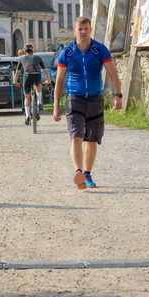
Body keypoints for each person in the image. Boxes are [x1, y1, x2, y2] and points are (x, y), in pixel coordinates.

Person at [53, 17, 122, 190]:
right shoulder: (67, 52)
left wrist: (118, 95)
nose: (83, 32)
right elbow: (59, 81)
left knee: (92, 139)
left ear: (90, 30)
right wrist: (56, 106)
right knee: (76, 136)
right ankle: (78, 172)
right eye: (80, 29)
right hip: (74, 99)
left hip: (95, 99)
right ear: (74, 31)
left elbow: (113, 74)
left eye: (86, 28)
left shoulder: (100, 50)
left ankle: (87, 174)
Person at [13, 44, 50, 124]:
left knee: (27, 97)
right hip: (36, 75)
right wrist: (48, 80)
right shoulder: (37, 58)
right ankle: (39, 102)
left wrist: (15, 82)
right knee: (38, 85)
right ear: (32, 51)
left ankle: (27, 115)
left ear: (24, 51)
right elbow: (45, 71)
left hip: (27, 77)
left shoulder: (21, 59)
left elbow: (17, 73)